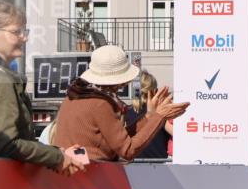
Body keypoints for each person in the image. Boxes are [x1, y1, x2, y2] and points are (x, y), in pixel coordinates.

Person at [0, 0, 87, 174]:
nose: (25, 37)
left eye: (24, 31)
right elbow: (5, 144)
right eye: (17, 32)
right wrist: (57, 157)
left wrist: (57, 153)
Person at [53, 45, 188, 161]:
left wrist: (149, 116)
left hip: (73, 177)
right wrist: (159, 116)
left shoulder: (75, 97)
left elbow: (119, 139)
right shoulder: (100, 103)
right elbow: (128, 150)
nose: (125, 84)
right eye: (123, 80)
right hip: (90, 177)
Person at [123, 69, 173, 160]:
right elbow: (177, 133)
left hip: (133, 164)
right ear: (154, 90)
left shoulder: (126, 112)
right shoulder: (159, 111)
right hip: (159, 163)